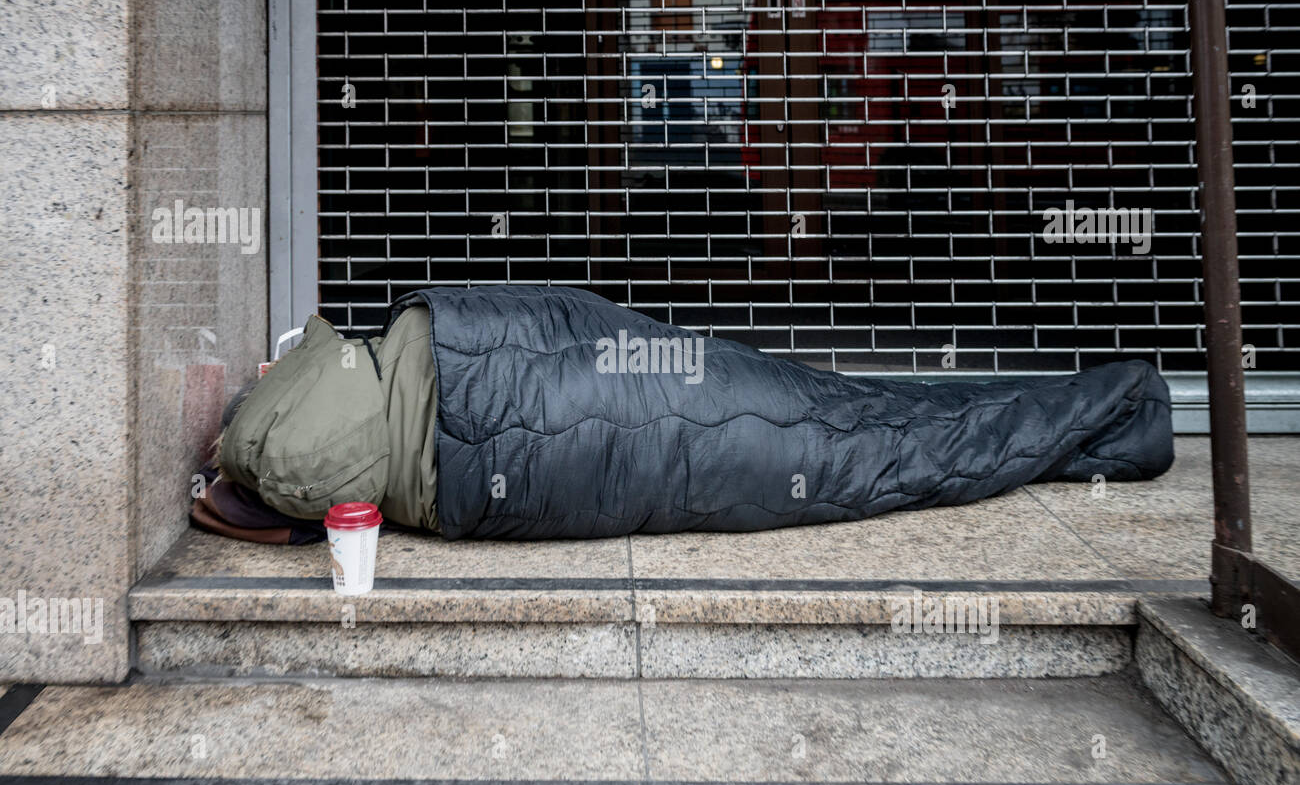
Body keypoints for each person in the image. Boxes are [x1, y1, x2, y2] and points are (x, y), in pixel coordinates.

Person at [210, 285, 1173, 542]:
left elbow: (279, 495)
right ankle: (1111, 408)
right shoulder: (325, 373)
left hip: (519, 409)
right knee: (846, 426)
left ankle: (1115, 408)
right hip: (498, 344)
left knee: (850, 437)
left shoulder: (291, 449)